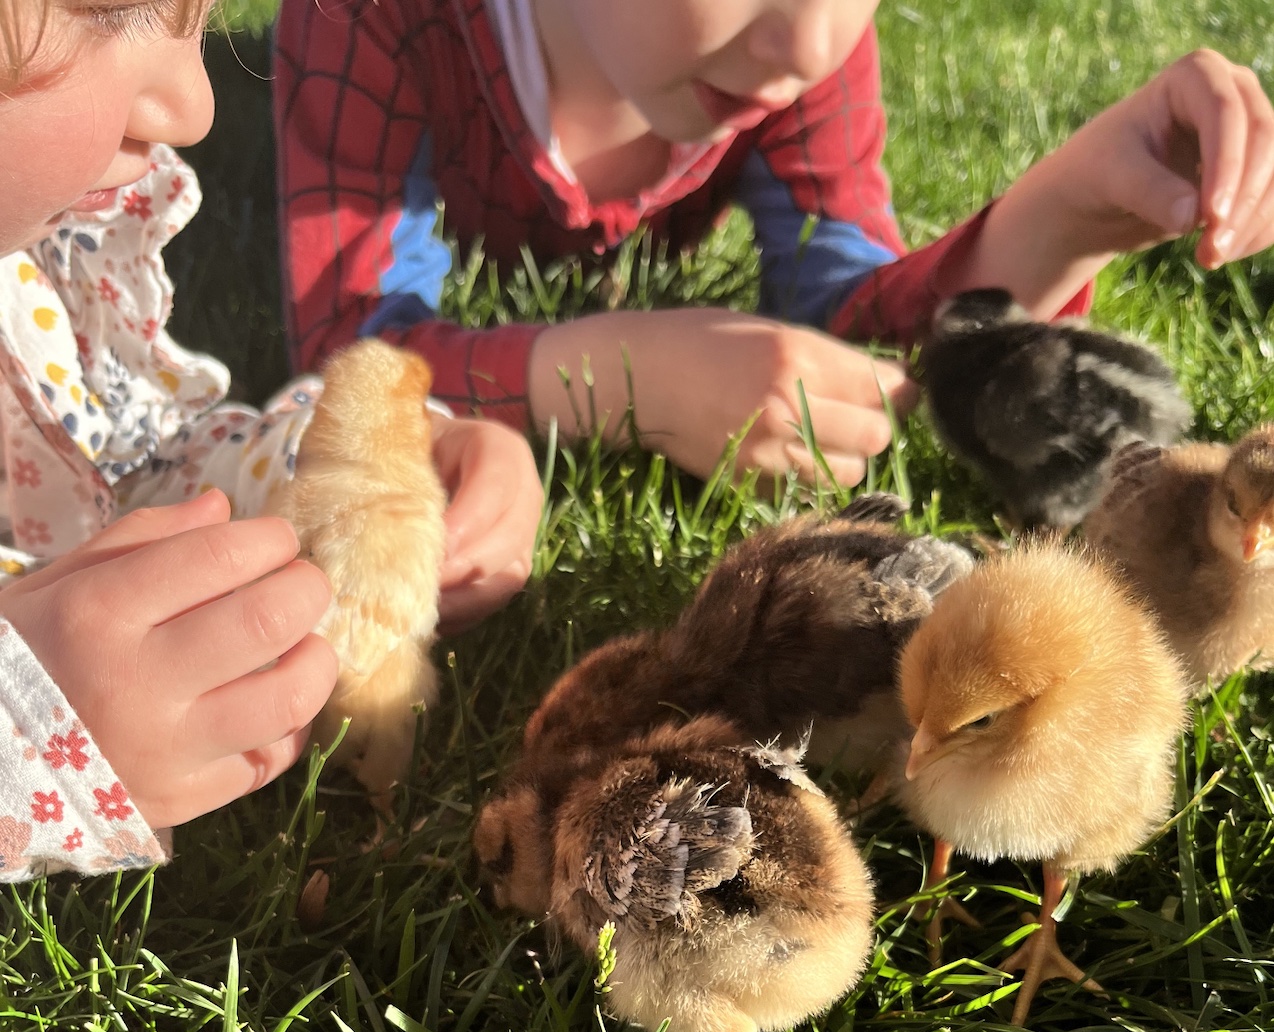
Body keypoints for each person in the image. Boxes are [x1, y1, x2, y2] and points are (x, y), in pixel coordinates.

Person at [274, 0, 1274, 487]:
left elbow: (845, 312)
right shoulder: (367, 15)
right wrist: (612, 380)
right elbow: (349, 353)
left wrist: (1066, 216)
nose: (808, 45)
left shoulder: (804, 38)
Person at [0, 0, 541, 880]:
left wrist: (364, 462)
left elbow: (145, 459)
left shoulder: (37, 260)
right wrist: (27, 739)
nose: (195, 104)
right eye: (106, 9)